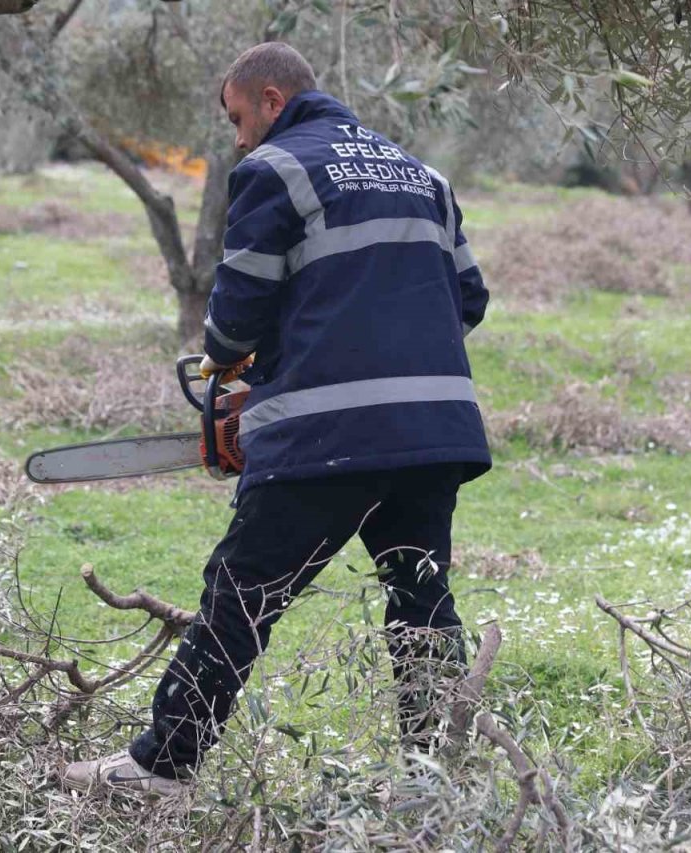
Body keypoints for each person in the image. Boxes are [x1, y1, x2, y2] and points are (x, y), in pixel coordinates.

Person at [62, 42, 490, 797]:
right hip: (432, 436)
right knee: (420, 604)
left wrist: (231, 371)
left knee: (240, 592)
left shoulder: (276, 169)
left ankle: (161, 767)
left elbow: (236, 316)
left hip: (326, 440)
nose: (235, 138)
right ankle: (436, 780)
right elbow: (469, 300)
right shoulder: (424, 175)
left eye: (236, 118)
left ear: (270, 98)